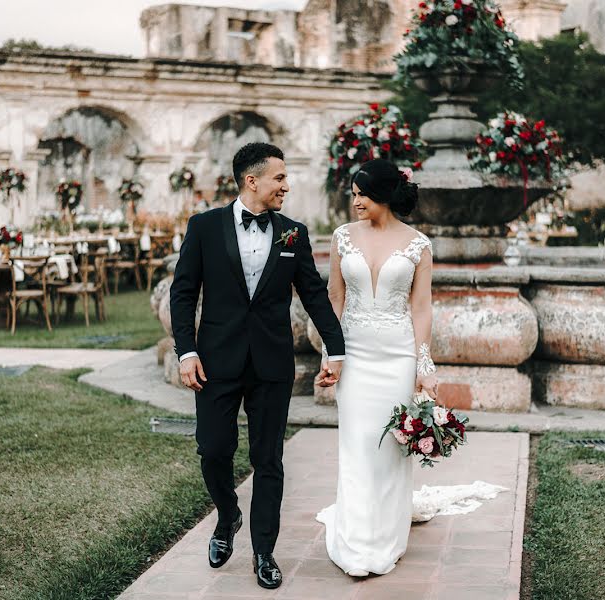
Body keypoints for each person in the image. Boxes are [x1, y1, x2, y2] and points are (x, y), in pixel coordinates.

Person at [170, 142, 346, 589]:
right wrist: (186, 351)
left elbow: (313, 295)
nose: (287, 185)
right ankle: (228, 516)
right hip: (215, 362)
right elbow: (183, 292)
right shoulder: (205, 227)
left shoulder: (293, 233)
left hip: (271, 364)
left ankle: (264, 552)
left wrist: (336, 348)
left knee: (269, 459)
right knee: (212, 449)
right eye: (280, 178)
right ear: (253, 180)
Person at [315, 158, 436, 576]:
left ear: (383, 195)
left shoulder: (419, 244)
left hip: (398, 356)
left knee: (389, 448)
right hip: (355, 354)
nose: (355, 202)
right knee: (356, 445)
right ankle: (355, 541)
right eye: (353, 195)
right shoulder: (342, 237)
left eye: (361, 194)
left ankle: (385, 536)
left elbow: (421, 308)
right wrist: (331, 355)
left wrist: (424, 363)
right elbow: (334, 297)